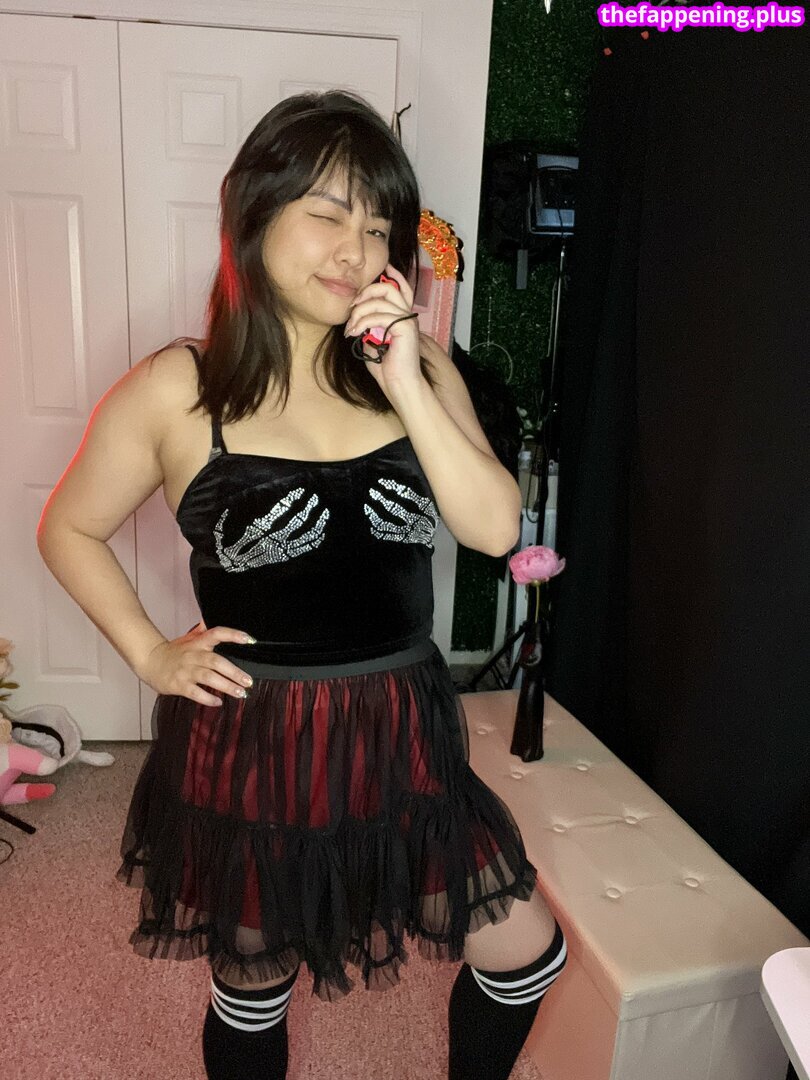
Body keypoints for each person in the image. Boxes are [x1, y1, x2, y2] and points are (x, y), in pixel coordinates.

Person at [36, 90, 567, 1080]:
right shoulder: (179, 388)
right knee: (256, 987)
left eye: (378, 227)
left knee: (525, 956)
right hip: (257, 739)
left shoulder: (421, 369)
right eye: (327, 214)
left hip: (404, 728)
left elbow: (496, 528)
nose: (355, 250)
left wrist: (406, 378)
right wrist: (150, 652)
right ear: (254, 211)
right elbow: (68, 528)